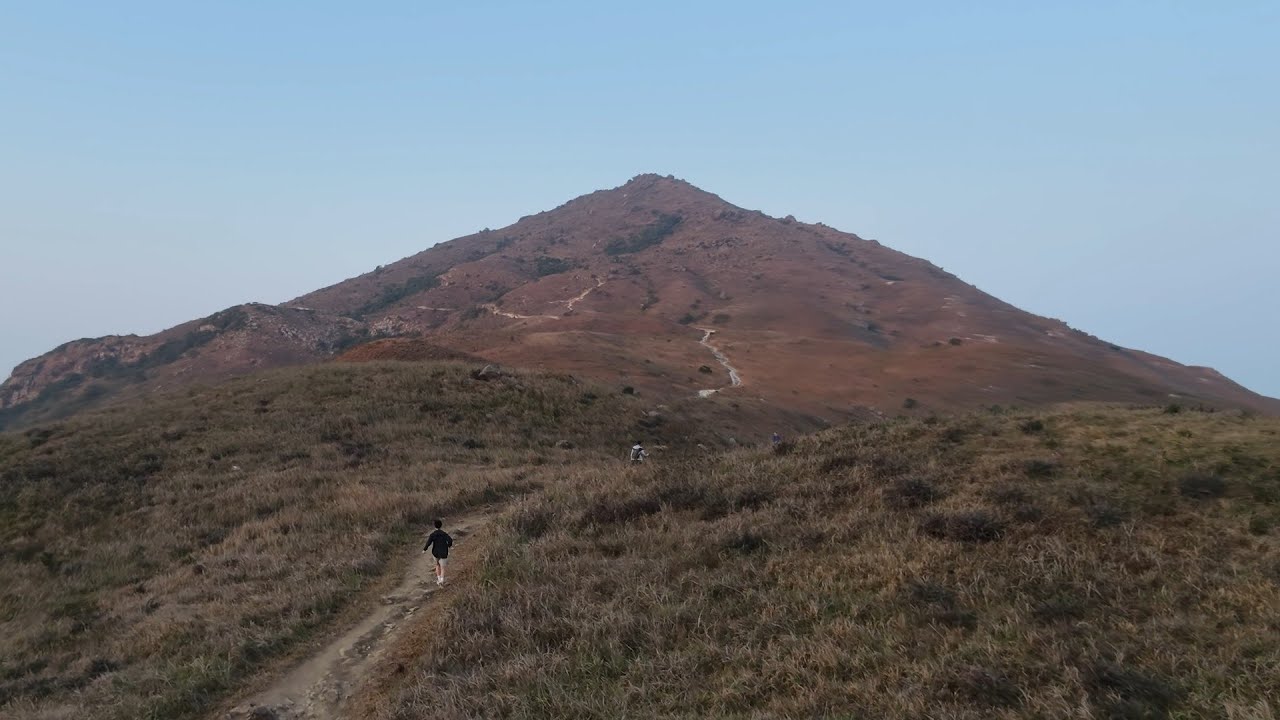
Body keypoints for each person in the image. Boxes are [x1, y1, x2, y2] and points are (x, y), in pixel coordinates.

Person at [423, 519, 454, 586]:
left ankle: (438, 579)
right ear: (441, 525)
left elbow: (428, 543)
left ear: (434, 526)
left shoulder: (433, 534)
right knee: (443, 567)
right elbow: (450, 540)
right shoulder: (444, 534)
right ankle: (442, 581)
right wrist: (448, 546)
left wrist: (424, 549)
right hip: (443, 552)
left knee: (437, 565)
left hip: (435, 552)